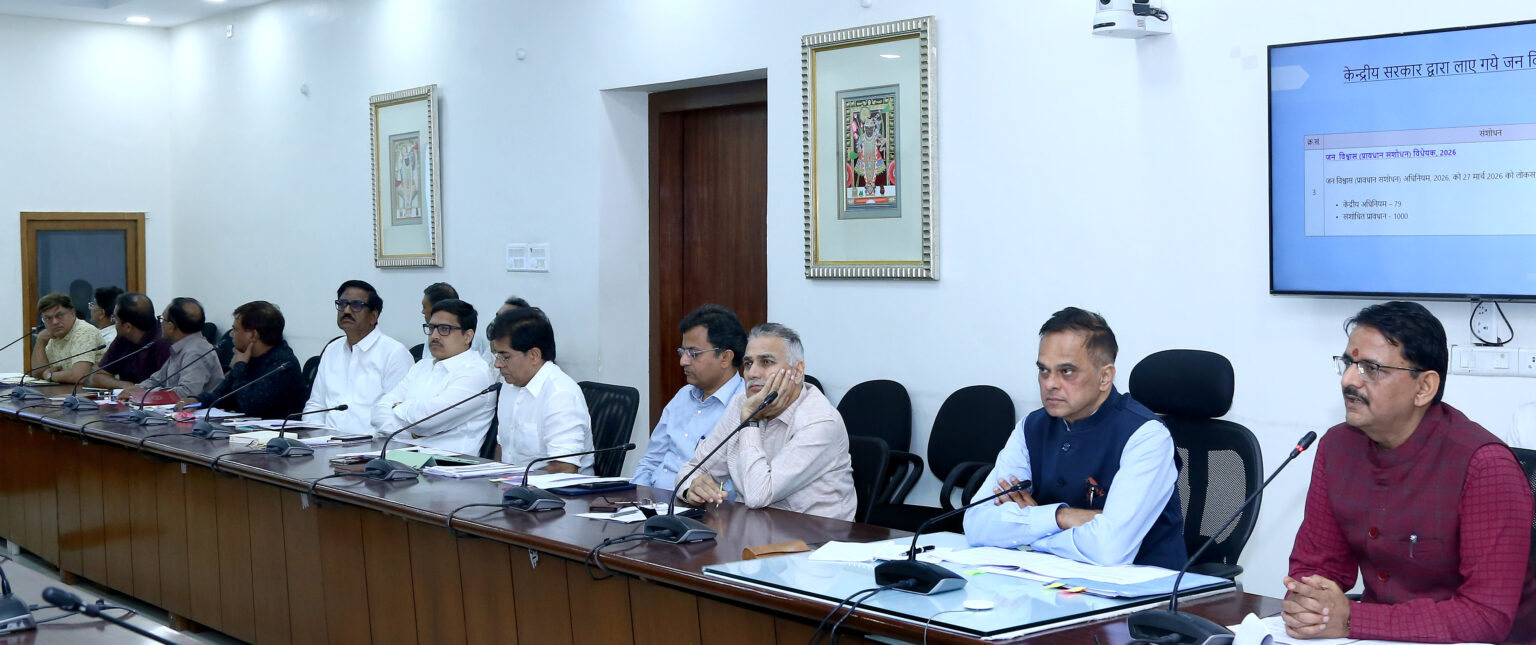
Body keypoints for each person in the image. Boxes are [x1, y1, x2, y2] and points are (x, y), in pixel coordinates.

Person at [1284, 301, 1535, 643]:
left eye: (1371, 368)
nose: (1348, 380)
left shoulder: (1485, 467)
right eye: (1348, 364)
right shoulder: (1337, 448)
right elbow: (1317, 565)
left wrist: (1352, 619)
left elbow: (1487, 615)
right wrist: (1309, 602)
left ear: (1424, 388)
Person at [963, 307, 1184, 569]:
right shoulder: (1031, 427)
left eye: (1066, 371)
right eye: (1044, 370)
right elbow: (976, 525)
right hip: (1052, 577)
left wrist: (1029, 530)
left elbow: (1108, 549)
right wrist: (1060, 517)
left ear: (1105, 377)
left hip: (1143, 584)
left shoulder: (1146, 436)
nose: (1050, 384)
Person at [676, 323, 856, 521]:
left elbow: (758, 495)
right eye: (748, 363)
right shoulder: (742, 403)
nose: (752, 373)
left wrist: (751, 421)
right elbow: (692, 469)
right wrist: (692, 487)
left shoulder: (820, 421)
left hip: (814, 535)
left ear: (797, 372)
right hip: (755, 528)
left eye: (766, 362)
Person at [632, 304, 746, 491]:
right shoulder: (683, 396)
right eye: (682, 352)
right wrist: (635, 497)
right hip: (651, 501)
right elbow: (651, 460)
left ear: (725, 358)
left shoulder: (745, 407)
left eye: (693, 353)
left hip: (698, 506)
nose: (683, 361)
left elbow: (735, 487)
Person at [373, 298, 496, 454]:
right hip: (400, 456)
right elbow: (378, 412)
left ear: (467, 336)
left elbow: (426, 420)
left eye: (445, 329)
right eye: (431, 328)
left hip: (447, 464)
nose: (434, 336)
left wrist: (398, 407)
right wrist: (412, 431)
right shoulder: (421, 367)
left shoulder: (475, 373)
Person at [487, 307, 592, 473]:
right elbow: (504, 449)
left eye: (505, 357)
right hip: (513, 484)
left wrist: (513, 481)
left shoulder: (560, 394)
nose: (497, 364)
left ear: (534, 355)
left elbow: (564, 468)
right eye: (497, 356)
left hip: (558, 488)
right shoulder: (509, 385)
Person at [304, 280, 412, 436]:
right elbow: (315, 405)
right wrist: (316, 438)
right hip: (325, 443)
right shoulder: (332, 349)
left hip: (372, 445)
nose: (347, 310)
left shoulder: (394, 353)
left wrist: (367, 445)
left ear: (373, 316)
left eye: (356, 305)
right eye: (342, 304)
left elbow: (397, 416)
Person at [184, 301, 307, 419]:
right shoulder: (248, 356)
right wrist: (196, 401)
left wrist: (239, 366)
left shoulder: (283, 365)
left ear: (253, 335)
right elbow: (221, 396)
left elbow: (251, 405)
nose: (231, 334)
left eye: (235, 330)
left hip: (277, 432)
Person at [128, 298, 223, 399]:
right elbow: (157, 380)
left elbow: (188, 393)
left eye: (163, 319)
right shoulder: (182, 346)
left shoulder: (196, 352)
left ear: (171, 326)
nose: (161, 324)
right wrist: (136, 389)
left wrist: (147, 393)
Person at [89, 293, 172, 389]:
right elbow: (97, 377)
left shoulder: (164, 342)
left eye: (115, 319)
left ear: (127, 326)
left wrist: (138, 389)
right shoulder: (123, 338)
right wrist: (125, 385)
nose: (114, 323)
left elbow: (169, 387)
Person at [27, 293, 104, 384]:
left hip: (93, 390)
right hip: (66, 389)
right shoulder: (52, 336)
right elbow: (38, 373)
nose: (54, 322)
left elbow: (79, 376)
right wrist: (40, 341)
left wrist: (50, 375)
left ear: (72, 313)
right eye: (48, 318)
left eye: (60, 315)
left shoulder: (84, 331)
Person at [420, 282, 489, 358]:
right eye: (431, 328)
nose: (422, 311)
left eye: (444, 329)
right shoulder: (433, 334)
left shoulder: (472, 341)